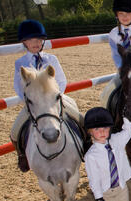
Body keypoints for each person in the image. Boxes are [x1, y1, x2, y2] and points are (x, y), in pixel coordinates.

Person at [10, 19, 83, 172]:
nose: (35, 43)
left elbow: (62, 80)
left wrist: (56, 97)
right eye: (31, 40)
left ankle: (86, 144)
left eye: (38, 39)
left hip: (55, 101)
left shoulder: (51, 59)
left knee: (80, 118)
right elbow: (18, 85)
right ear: (24, 42)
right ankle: (22, 155)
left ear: (43, 41)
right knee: (15, 131)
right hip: (35, 104)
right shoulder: (20, 63)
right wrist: (31, 102)